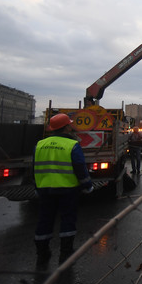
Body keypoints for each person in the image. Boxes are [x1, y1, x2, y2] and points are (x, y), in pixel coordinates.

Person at [33, 113, 93, 265]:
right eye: (69, 125)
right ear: (66, 127)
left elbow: (33, 168)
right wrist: (87, 185)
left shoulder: (40, 145)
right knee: (68, 219)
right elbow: (80, 168)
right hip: (67, 190)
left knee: (44, 220)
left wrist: (36, 187)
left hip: (45, 189)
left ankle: (42, 253)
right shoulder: (72, 145)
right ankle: (65, 254)